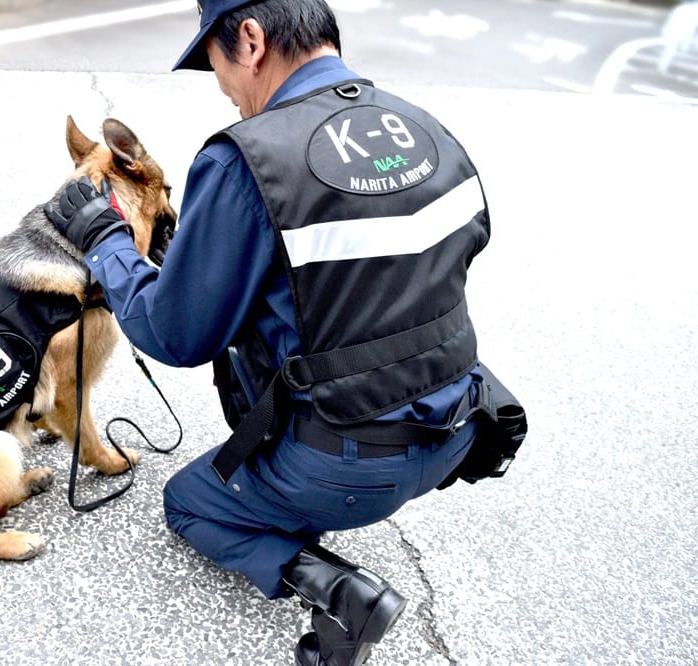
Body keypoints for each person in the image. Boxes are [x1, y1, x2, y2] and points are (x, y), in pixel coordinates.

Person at [45, 1, 493, 664]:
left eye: (217, 63)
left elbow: (175, 337)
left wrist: (106, 240)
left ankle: (336, 589)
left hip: (349, 467)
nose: (224, 88)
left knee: (190, 503)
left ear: (250, 40)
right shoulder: (423, 128)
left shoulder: (247, 160)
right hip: (462, 427)